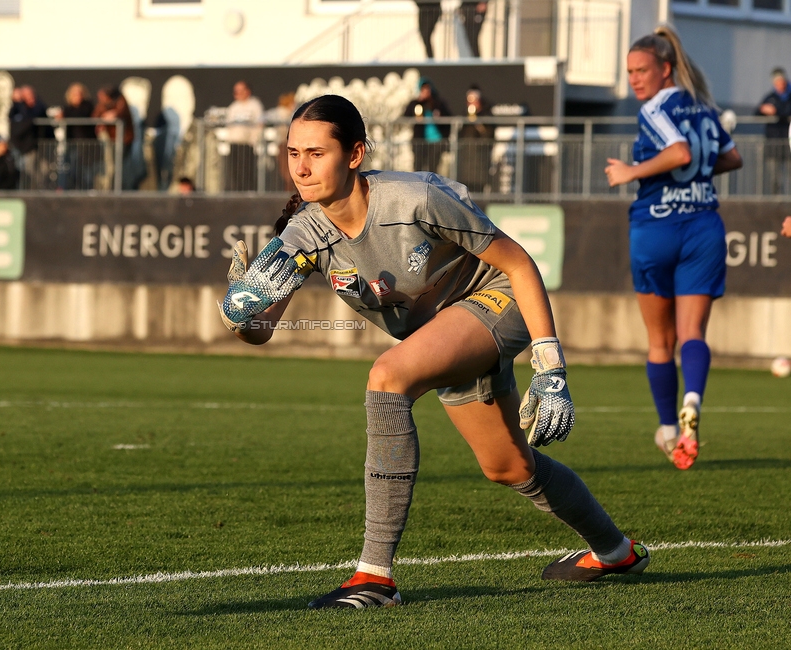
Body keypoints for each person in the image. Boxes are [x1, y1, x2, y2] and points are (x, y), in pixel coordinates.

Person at [218, 94, 650, 609]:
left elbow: (520, 264)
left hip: (497, 299)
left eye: (316, 152)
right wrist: (242, 318)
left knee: (388, 376)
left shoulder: (413, 198)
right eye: (293, 153)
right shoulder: (302, 234)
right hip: (444, 334)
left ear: (355, 154)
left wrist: (550, 366)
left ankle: (374, 577)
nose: (302, 168)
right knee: (508, 467)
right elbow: (264, 331)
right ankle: (615, 551)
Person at [604, 26, 742, 471]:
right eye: (629, 72)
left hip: (657, 227)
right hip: (704, 226)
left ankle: (667, 429)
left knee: (660, 341)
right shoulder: (704, 107)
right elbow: (733, 158)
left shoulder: (654, 108)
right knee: (693, 334)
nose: (634, 80)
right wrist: (699, 173)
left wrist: (632, 171)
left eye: (641, 70)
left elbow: (679, 153)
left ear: (665, 69)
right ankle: (693, 401)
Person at [93, 86, 137, 190]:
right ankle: (112, 188)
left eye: (102, 96)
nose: (100, 99)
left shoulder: (121, 101)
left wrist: (109, 116)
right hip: (110, 141)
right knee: (111, 166)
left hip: (123, 140)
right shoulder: (102, 105)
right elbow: (96, 117)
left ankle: (122, 188)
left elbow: (118, 114)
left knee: (121, 166)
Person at [403, 78, 452, 173]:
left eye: (427, 89)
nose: (426, 92)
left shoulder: (438, 103)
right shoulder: (415, 103)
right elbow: (406, 115)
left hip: (436, 141)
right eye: (423, 89)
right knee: (418, 167)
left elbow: (448, 117)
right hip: (420, 140)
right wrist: (419, 102)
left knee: (433, 167)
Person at [756, 67, 791, 195]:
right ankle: (776, 201)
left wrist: (776, 112)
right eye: (777, 81)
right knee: (774, 177)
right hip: (773, 143)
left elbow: (785, 112)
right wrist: (762, 110)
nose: (779, 84)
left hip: (788, 143)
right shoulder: (770, 97)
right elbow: (756, 113)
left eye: (781, 81)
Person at [224, 80, 264, 191]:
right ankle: (237, 194)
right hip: (235, 144)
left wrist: (254, 139)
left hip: (248, 145)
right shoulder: (233, 107)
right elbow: (229, 125)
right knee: (236, 173)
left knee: (247, 172)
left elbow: (259, 124)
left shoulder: (255, 105)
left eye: (241, 90)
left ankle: (249, 194)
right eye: (236, 91)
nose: (238, 93)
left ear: (248, 91)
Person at [58, 82, 97, 190]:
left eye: (79, 93)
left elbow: (80, 117)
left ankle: (87, 191)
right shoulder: (67, 108)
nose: (77, 96)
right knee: (71, 169)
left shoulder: (88, 106)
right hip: (71, 144)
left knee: (86, 171)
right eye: (75, 94)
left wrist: (65, 116)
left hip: (86, 145)